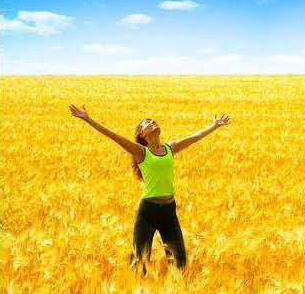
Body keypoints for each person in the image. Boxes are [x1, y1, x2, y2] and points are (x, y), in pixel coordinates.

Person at [68, 104, 231, 277]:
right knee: (140, 261)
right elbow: (113, 136)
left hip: (169, 210)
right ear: (142, 134)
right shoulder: (141, 152)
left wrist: (214, 126)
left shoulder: (170, 148)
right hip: (148, 211)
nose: (153, 122)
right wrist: (87, 119)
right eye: (147, 123)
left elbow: (193, 138)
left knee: (179, 260)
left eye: (154, 121)